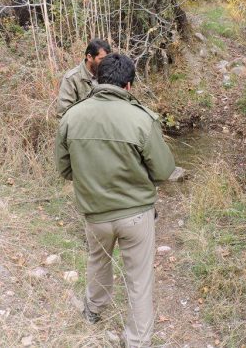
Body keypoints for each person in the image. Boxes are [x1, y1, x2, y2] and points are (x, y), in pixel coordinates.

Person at [55, 53, 175, 347]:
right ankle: (137, 341)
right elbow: (164, 170)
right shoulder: (141, 119)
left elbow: (64, 169)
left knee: (98, 261)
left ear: (95, 78)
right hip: (135, 214)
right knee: (139, 278)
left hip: (95, 213)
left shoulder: (72, 116)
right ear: (128, 85)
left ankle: (93, 311)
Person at [56, 38, 111, 117]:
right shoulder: (72, 78)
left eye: (107, 59)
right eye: (101, 59)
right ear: (89, 57)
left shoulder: (110, 73)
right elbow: (63, 113)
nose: (106, 63)